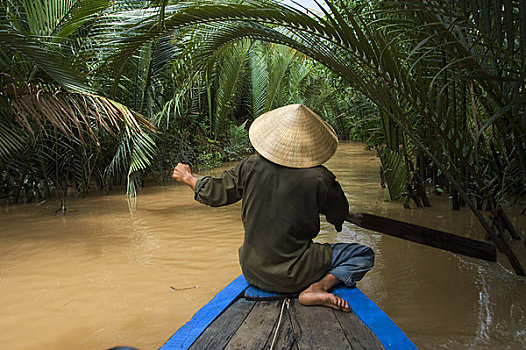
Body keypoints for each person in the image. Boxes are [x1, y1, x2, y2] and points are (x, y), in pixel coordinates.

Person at [172, 104, 374, 311]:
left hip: (252, 271)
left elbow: (216, 193)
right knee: (363, 254)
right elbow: (338, 215)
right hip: (296, 274)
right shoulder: (321, 179)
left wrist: (189, 178)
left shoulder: (249, 167)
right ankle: (318, 287)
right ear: (312, 144)